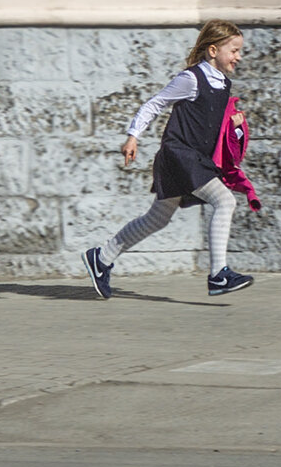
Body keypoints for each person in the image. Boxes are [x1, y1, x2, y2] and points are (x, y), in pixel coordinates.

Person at [82, 19, 259, 299]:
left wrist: (233, 121)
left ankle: (101, 258)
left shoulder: (223, 83)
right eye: (234, 50)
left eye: (239, 51)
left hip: (195, 158)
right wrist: (133, 136)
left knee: (157, 219)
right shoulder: (191, 79)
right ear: (213, 51)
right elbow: (155, 103)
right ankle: (218, 275)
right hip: (179, 155)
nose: (239, 56)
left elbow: (210, 120)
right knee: (225, 201)